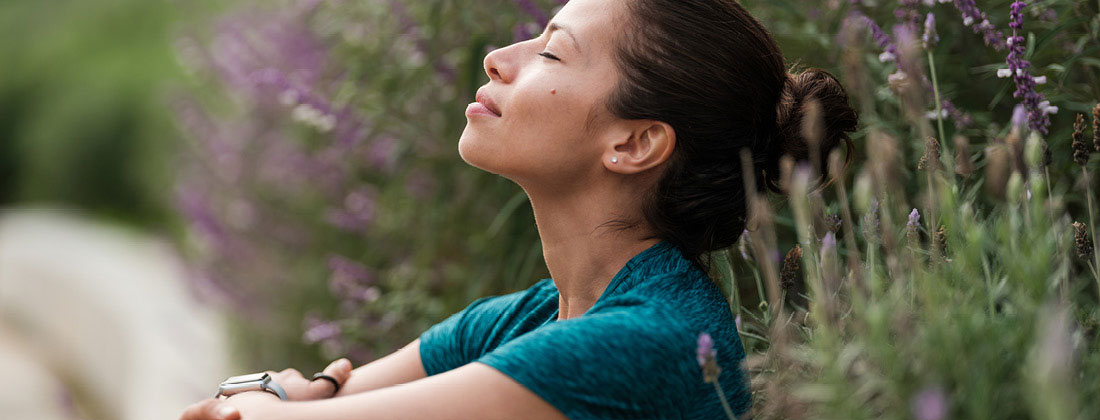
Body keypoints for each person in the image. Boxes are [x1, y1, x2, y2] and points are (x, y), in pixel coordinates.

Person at [179, 0, 857, 418]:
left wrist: (292, 393)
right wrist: (292, 393)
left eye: (552, 51)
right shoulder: (527, 318)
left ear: (635, 142)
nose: (499, 58)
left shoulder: (644, 343)